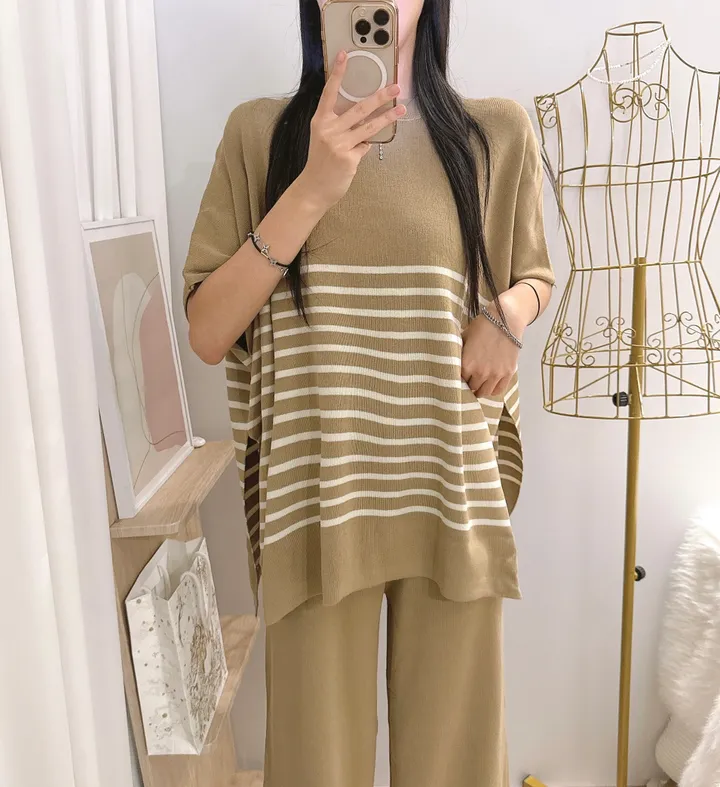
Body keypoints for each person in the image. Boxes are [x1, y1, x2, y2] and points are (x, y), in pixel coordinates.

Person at [183, 1, 555, 785]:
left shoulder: (494, 133)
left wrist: (508, 316)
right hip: (315, 501)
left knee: (457, 769)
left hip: (448, 492)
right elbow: (209, 329)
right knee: (314, 768)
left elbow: (534, 273)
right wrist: (314, 186)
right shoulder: (259, 137)